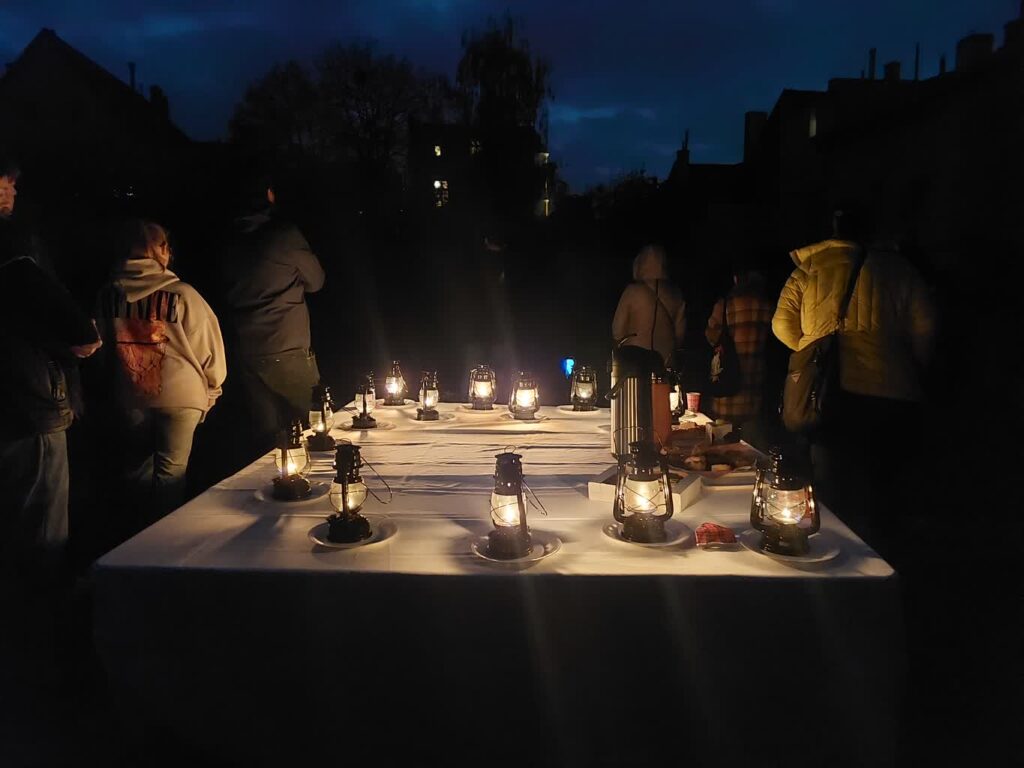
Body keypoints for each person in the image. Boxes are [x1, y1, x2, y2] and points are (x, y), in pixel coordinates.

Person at [772, 207, 936, 549]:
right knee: (885, 481)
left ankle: (841, 565)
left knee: (833, 485)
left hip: (831, 392)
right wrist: (911, 364)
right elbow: (926, 326)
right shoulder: (899, 269)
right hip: (893, 392)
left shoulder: (808, 270)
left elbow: (781, 325)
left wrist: (814, 348)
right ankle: (888, 558)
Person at [0, 155, 102, 584]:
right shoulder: (11, 244)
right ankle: (39, 632)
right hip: (28, 401)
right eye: (3, 180)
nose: (12, 188)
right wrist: (81, 337)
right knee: (40, 531)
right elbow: (72, 323)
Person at [95, 220, 226, 522]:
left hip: (130, 393)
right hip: (181, 396)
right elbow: (209, 347)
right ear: (160, 249)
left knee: (136, 474)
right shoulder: (183, 294)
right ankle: (163, 545)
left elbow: (100, 346)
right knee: (171, 476)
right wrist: (213, 388)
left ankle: (132, 543)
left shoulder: (107, 295)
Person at [219, 172, 325, 450]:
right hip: (286, 346)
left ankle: (272, 485)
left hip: (246, 348)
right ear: (269, 195)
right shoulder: (284, 236)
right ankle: (313, 486)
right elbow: (316, 280)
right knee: (313, 427)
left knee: (265, 438)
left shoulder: (230, 240)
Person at [704, 260, 774, 446]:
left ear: (737, 278)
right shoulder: (766, 303)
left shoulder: (726, 303)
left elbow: (712, 337)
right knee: (752, 450)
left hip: (728, 389)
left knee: (725, 450)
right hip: (754, 386)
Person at [612, 244, 686, 368]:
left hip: (634, 363)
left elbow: (617, 331)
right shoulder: (676, 295)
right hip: (665, 365)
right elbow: (679, 336)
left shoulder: (632, 291)